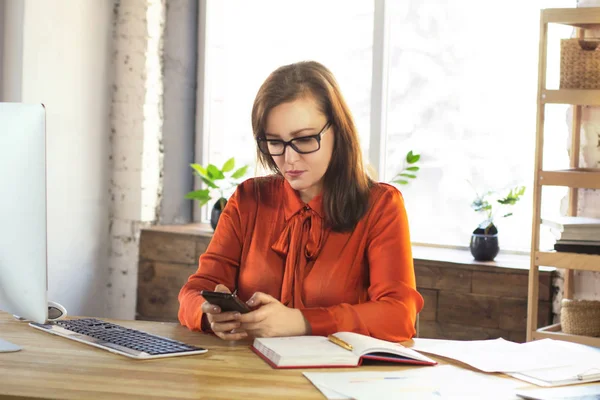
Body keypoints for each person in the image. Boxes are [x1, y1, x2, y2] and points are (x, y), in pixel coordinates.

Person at [178, 61, 423, 342]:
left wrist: (301, 321)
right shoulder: (248, 200)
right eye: (275, 142)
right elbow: (193, 293)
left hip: (340, 379)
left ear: (338, 132)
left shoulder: (381, 206)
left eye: (305, 139)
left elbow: (399, 315)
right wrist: (208, 314)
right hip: (250, 375)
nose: (289, 159)